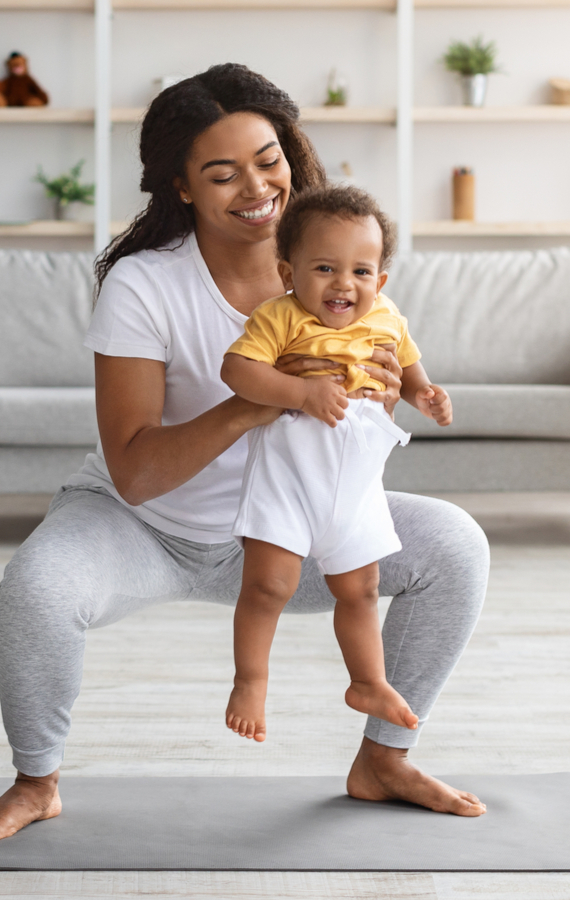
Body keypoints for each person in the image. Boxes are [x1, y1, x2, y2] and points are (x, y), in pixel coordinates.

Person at [0, 63, 488, 845]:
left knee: (456, 545)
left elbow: (354, 436)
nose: (255, 187)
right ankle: (36, 781)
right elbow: (138, 474)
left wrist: (382, 397)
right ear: (181, 186)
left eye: (268, 159)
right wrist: (260, 399)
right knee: (36, 590)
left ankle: (383, 761)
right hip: (145, 527)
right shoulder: (146, 287)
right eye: (222, 173)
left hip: (285, 528)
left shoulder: (344, 274)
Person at [223, 183, 453, 743]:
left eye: (360, 271)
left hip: (355, 484)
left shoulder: (388, 318)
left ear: (381, 280)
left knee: (362, 589)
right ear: (288, 272)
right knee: (267, 586)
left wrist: (424, 394)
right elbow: (237, 371)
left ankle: (367, 680)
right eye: (324, 267)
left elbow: (409, 362)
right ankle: (250, 680)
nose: (343, 284)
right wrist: (300, 394)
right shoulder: (279, 317)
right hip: (289, 476)